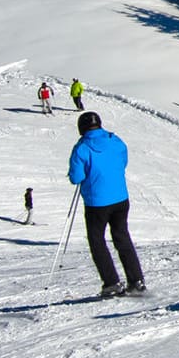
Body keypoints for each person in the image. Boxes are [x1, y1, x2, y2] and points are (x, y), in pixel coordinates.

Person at [67, 111, 144, 298]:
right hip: (120, 198)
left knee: (97, 241)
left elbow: (76, 177)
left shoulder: (82, 148)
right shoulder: (115, 141)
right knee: (122, 237)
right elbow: (123, 161)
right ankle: (136, 281)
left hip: (97, 202)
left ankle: (111, 283)